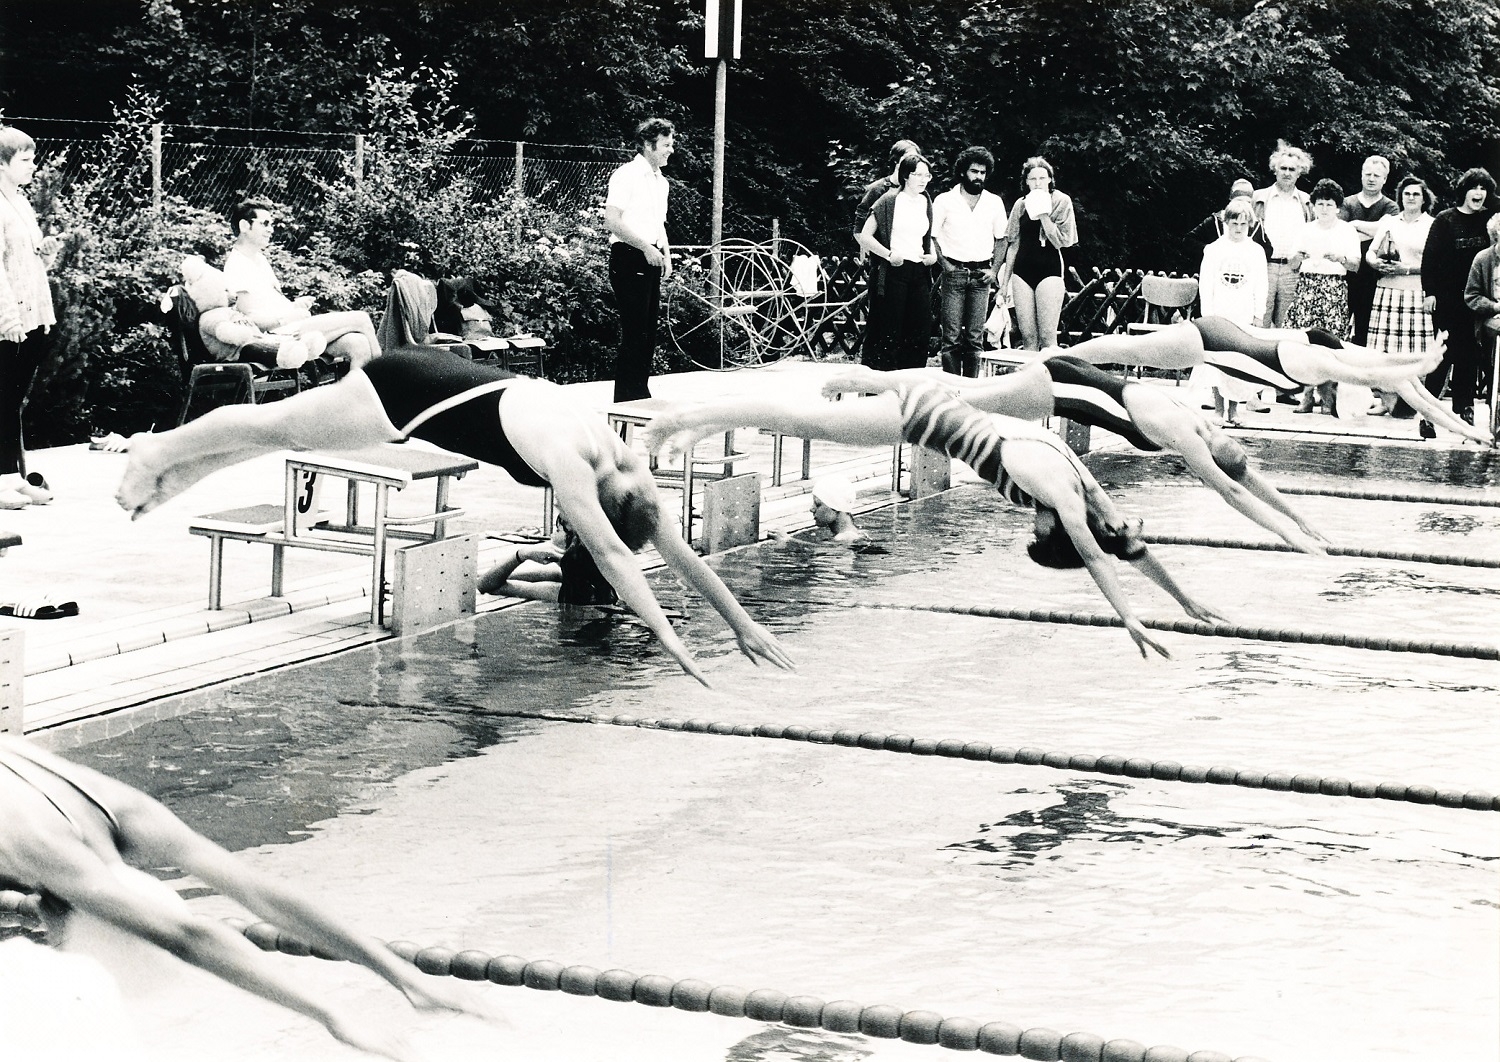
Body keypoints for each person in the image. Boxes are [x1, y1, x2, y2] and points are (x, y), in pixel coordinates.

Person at [116, 345, 794, 687]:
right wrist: (670, 640)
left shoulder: (627, 471)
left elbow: (678, 552)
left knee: (281, 436)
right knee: (281, 429)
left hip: (436, 380)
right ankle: (159, 449)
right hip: (404, 393)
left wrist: (743, 625)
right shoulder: (571, 461)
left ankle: (173, 473)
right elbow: (618, 560)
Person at [642, 378, 1228, 658]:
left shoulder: (1089, 494)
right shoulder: (1063, 496)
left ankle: (694, 424)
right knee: (806, 420)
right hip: (928, 419)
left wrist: (1183, 600)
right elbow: (1101, 558)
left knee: (811, 414)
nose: (1033, 527)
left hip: (941, 403)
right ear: (1059, 533)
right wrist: (1129, 620)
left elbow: (1126, 546)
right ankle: (684, 417)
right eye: (1039, 534)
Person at [0, 734, 492, 1060]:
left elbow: (192, 934)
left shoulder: (36, 838)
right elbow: (241, 902)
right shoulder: (93, 806)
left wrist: (346, 1007)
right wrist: (397, 979)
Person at [829, 358, 1326, 554]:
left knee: (964, 392)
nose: (1233, 454)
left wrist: (1305, 520)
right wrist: (1289, 537)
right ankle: (865, 379)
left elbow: (1245, 475)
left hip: (1072, 380)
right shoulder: (1188, 433)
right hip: (1060, 386)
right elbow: (1232, 489)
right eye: (1231, 453)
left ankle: (869, 380)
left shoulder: (1205, 424)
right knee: (961, 392)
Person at [1049, 315, 1492, 444]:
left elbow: (1409, 386)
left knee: (1125, 352)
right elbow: (1368, 371)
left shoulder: (1335, 349)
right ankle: (1057, 355)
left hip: (1231, 335)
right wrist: (1422, 365)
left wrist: (1470, 431)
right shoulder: (1316, 364)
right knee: (1128, 352)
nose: (1378, 388)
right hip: (1209, 340)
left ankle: (1061, 356)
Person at [222, 197, 379, 374]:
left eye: (271, 224)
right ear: (244, 226)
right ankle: (386, 384)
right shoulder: (237, 265)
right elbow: (251, 320)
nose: (271, 230)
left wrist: (295, 305)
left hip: (294, 328)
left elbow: (271, 304)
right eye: (265, 224)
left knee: (358, 344)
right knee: (361, 319)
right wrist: (288, 317)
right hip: (278, 337)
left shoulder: (259, 260)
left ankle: (361, 399)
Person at [0, 126, 58, 509]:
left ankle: (12, 477)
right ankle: (3, 482)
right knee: (2, 398)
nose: (32, 167)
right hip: (9, 320)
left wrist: (47, 252)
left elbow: (27, 261)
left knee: (11, 399)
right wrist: (8, 321)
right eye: (25, 160)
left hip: (32, 312)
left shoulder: (20, 202)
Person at [1420, 167, 1497, 434]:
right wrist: (1429, 292)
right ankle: (1428, 413)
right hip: (1446, 298)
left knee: (1469, 356)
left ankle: (1464, 412)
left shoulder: (1488, 220)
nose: (1479, 192)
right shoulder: (1445, 219)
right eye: (1474, 187)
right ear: (1463, 190)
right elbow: (1429, 259)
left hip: (1475, 299)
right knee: (1442, 355)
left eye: (1483, 188)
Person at [605, 117, 675, 402]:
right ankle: (626, 400)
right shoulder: (627, 175)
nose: (671, 150)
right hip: (629, 257)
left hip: (652, 257)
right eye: (666, 145)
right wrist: (646, 248)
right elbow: (612, 220)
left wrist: (666, 254)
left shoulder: (662, 182)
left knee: (648, 333)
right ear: (648, 145)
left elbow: (658, 224)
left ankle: (640, 394)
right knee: (634, 332)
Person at [931, 146, 1008, 377]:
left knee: (975, 338)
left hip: (981, 274)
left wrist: (994, 271)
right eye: (974, 171)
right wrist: (945, 265)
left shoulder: (994, 202)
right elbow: (932, 235)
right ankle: (953, 390)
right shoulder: (945, 200)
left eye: (983, 173)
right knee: (951, 338)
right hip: (954, 272)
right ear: (963, 172)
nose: (979, 177)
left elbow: (1002, 239)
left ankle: (971, 390)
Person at [1287, 179, 1361, 415]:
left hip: (1333, 287)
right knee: (1306, 343)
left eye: (1329, 204)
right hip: (1308, 286)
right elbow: (1292, 264)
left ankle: (1328, 397)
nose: (1324, 209)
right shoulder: (1305, 229)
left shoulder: (1346, 230)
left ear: (1337, 207)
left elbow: (1355, 266)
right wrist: (1300, 254)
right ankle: (1307, 396)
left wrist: (1339, 258)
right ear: (1314, 206)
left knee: (1330, 344)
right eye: (1320, 204)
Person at [858, 152, 938, 371]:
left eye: (927, 175)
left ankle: (911, 387)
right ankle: (881, 390)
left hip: (919, 272)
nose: (923, 179)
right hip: (894, 271)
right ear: (905, 176)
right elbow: (865, 236)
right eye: (918, 175)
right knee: (889, 331)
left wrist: (932, 256)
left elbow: (926, 237)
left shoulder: (926, 201)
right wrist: (888, 254)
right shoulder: (888, 200)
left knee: (919, 331)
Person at [1365, 176, 1437, 418]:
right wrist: (1376, 264)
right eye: (1407, 194)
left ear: (1424, 198)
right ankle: (1387, 399)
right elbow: (1371, 253)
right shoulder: (1389, 221)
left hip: (1415, 293)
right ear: (1400, 197)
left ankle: (1410, 403)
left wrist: (1405, 269)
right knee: (1384, 352)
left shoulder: (1431, 224)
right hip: (1386, 292)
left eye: (1416, 194)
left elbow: (1434, 264)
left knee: (1411, 351)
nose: (1411, 198)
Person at [1193, 196, 1269, 424]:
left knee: (1237, 364)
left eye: (1243, 224)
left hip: (1243, 314)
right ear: (1226, 223)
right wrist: (1207, 315)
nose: (1238, 228)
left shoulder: (1256, 251)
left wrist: (1259, 314)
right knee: (1217, 363)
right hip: (1219, 313)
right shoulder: (1214, 250)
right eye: (1233, 223)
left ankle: (1234, 411)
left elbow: (1261, 284)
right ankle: (1218, 410)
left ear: (1250, 225)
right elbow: (1205, 284)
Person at [1002, 156, 1077, 351]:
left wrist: (1043, 213)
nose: (1038, 183)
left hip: (1049, 268)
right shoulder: (1020, 204)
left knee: (1047, 337)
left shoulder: (1061, 201)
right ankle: (1030, 379)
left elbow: (1061, 241)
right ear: (1026, 181)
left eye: (1042, 178)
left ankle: (1050, 378)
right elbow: (1013, 244)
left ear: (1050, 179)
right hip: (1022, 271)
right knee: (1028, 337)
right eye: (1033, 179)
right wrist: (1004, 283)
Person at [477, 514, 618, 606]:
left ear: (572, 541)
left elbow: (485, 585)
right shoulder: (597, 583)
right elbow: (482, 578)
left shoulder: (562, 593)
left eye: (557, 530)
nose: (551, 534)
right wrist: (561, 560)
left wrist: (522, 555)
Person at [1252, 141, 1313, 330]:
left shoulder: (1307, 202)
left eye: (1292, 169)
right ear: (1275, 170)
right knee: (1259, 320)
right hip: (1264, 267)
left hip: (1293, 270)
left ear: (1299, 172)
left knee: (1287, 325)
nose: (1287, 173)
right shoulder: (1259, 197)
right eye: (1283, 168)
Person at [1340, 156, 1398, 346]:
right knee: (1340, 324)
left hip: (1375, 277)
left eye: (1377, 175)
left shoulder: (1391, 206)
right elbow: (1340, 231)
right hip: (1347, 273)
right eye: (1368, 174)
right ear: (1361, 175)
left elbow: (1388, 232)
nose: (1371, 178)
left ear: (1385, 179)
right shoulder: (1347, 202)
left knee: (1366, 329)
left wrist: (1355, 225)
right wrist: (1375, 231)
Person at [1462, 214, 1500, 416]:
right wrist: (1494, 307)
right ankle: (1495, 397)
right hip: (1492, 318)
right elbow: (1471, 295)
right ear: (1496, 235)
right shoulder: (1483, 259)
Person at [1186, 178, 1272, 258]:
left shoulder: (1255, 225)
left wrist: (1250, 253)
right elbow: (1189, 240)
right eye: (1239, 201)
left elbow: (1268, 250)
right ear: (1231, 200)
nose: (1242, 205)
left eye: (1247, 202)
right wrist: (1210, 250)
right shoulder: (1216, 220)